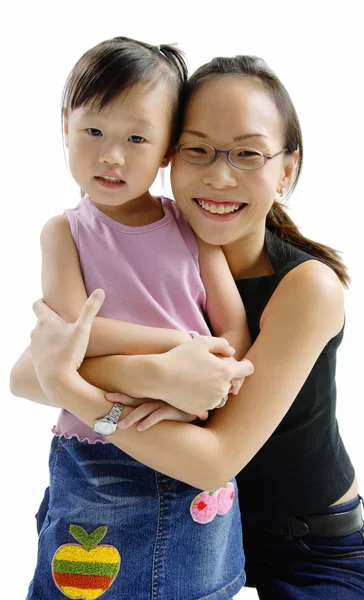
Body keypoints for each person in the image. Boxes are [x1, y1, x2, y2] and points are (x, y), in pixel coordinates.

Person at [11, 54, 364, 599]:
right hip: (165, 506)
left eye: (247, 154)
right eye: (198, 149)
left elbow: (213, 461)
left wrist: (74, 384)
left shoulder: (307, 288)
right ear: (171, 156)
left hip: (300, 547)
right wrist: (163, 370)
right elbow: (25, 376)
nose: (219, 174)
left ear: (287, 170)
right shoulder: (137, 243)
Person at [10, 37, 255, 600]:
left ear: (168, 150)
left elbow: (235, 332)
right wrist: (176, 349)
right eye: (93, 131)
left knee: (199, 588)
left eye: (137, 138)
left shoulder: (191, 229)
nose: (111, 156)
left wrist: (191, 385)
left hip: (186, 443)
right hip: (97, 456)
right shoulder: (64, 232)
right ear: (64, 126)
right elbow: (74, 333)